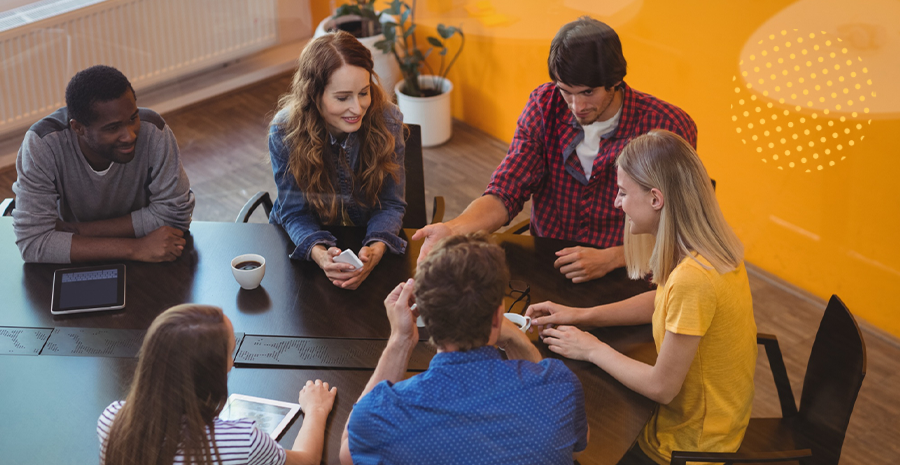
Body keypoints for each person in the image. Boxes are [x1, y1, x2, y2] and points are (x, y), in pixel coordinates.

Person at [526, 130, 757, 465]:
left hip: (687, 448)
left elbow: (662, 388)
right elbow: (661, 302)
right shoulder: (712, 249)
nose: (617, 203)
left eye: (622, 192)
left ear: (655, 199)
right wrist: (579, 315)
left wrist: (591, 348)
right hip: (718, 423)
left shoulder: (693, 278)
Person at [413, 17, 696, 284]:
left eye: (587, 92)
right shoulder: (544, 105)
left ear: (615, 80)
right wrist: (454, 229)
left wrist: (613, 257)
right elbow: (506, 188)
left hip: (631, 271)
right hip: (548, 263)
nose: (576, 105)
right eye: (565, 91)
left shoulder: (666, 126)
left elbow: (680, 225)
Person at [339, 232, 589, 465]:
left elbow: (348, 453)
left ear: (424, 317)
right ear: (497, 318)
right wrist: (519, 340)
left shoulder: (384, 416)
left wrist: (400, 340)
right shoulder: (560, 385)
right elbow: (578, 442)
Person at [98, 304, 337, 465]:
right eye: (230, 353)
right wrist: (316, 411)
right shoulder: (244, 441)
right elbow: (306, 460)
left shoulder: (111, 421)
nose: (232, 363)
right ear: (208, 373)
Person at [12, 65, 194, 264]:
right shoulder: (43, 143)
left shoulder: (154, 131)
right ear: (78, 128)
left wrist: (79, 231)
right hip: (92, 257)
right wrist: (135, 248)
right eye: (113, 127)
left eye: (133, 118)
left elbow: (175, 214)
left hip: (85, 246)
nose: (130, 135)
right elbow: (33, 242)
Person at [269, 30, 406, 290]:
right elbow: (294, 212)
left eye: (364, 92)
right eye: (342, 98)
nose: (357, 108)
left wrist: (375, 250)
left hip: (367, 240)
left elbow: (390, 204)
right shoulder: (284, 131)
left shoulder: (388, 120)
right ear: (313, 95)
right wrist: (320, 255)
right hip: (305, 253)